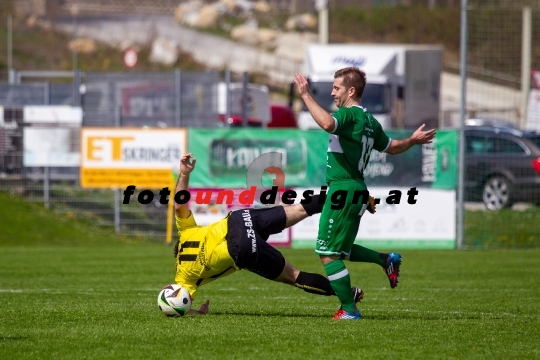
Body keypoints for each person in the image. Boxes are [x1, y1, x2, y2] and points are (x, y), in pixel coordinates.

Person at [293, 67, 436, 320]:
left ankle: (349, 309)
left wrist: (305, 95)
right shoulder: (371, 121)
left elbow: (327, 123)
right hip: (357, 188)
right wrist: (412, 141)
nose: (332, 92)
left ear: (351, 91)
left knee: (327, 252)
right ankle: (385, 260)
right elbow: (391, 147)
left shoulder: (349, 115)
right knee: (342, 248)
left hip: (344, 188)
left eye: (336, 88)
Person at [169, 153, 372, 316]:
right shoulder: (186, 231)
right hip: (241, 219)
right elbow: (179, 205)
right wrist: (184, 174)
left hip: (241, 248)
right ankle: (354, 196)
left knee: (295, 276)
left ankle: (349, 294)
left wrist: (198, 313)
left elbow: (180, 305)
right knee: (300, 209)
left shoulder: (184, 278)